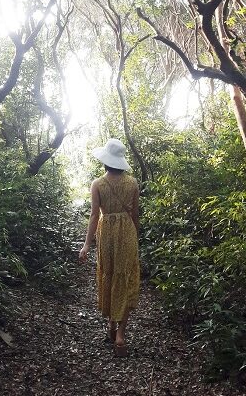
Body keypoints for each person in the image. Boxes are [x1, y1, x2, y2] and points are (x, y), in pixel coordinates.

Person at [79, 138, 140, 357]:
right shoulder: (132, 183)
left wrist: (87, 244)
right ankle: (121, 336)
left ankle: (112, 328)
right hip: (127, 233)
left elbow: (95, 215)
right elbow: (135, 215)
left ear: (106, 161)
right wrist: (136, 237)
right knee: (125, 278)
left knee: (110, 275)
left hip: (106, 233)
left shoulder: (97, 184)